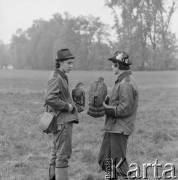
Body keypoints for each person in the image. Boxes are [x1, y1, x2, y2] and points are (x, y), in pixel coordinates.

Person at [98, 51, 139, 180]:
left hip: (119, 129)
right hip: (113, 127)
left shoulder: (126, 82)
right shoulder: (121, 81)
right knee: (105, 160)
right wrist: (106, 100)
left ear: (118, 65)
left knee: (119, 165)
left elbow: (124, 109)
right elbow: (119, 101)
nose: (111, 67)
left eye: (113, 64)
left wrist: (105, 108)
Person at [44, 48, 79, 180]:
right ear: (60, 62)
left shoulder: (61, 76)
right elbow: (50, 98)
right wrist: (67, 106)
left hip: (60, 120)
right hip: (62, 122)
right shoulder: (56, 77)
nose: (71, 66)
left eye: (72, 63)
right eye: (69, 63)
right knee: (63, 155)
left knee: (56, 152)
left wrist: (73, 105)